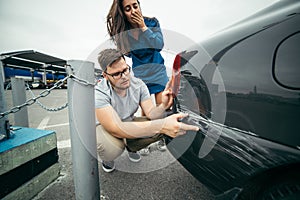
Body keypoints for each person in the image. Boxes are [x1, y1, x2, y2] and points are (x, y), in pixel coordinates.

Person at [95, 48, 199, 172]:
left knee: (164, 118)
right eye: (117, 74)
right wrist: (162, 126)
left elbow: (151, 114)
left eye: (125, 70)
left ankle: (132, 147)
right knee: (111, 149)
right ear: (105, 75)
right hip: (106, 127)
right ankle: (108, 159)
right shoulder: (99, 92)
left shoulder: (138, 85)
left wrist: (163, 106)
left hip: (128, 122)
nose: (124, 77)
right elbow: (116, 128)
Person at [106, 0, 170, 151]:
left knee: (161, 108)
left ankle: (163, 137)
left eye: (135, 6)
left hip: (157, 70)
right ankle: (146, 138)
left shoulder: (152, 22)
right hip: (141, 74)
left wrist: (143, 27)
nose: (133, 10)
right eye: (128, 9)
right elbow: (126, 53)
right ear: (123, 13)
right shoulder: (125, 32)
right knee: (147, 111)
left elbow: (159, 45)